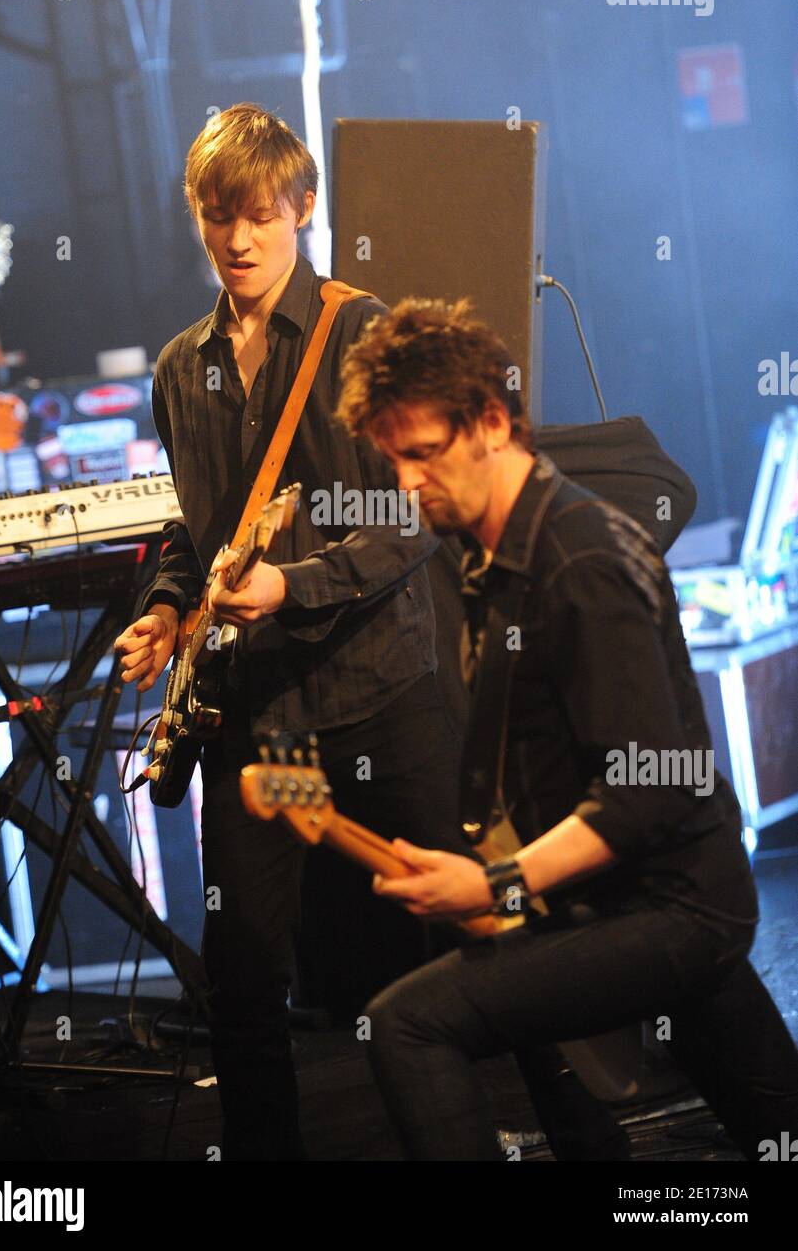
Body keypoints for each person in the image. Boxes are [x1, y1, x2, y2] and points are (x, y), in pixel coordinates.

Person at [334, 296, 798, 1161]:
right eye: (392, 460)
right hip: (640, 895)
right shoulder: (495, 550)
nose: (405, 482)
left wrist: (498, 886)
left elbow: (643, 797)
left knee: (406, 1026)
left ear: (492, 421)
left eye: (423, 454)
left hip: (670, 907)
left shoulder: (576, 558)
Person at [112, 105, 491, 1159]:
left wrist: (295, 585)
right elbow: (200, 531)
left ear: (304, 209)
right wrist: (161, 609)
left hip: (383, 693)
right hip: (259, 717)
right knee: (237, 976)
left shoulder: (361, 331)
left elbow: (412, 514)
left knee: (483, 932)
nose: (238, 239)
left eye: (260, 216)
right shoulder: (180, 370)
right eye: (217, 216)